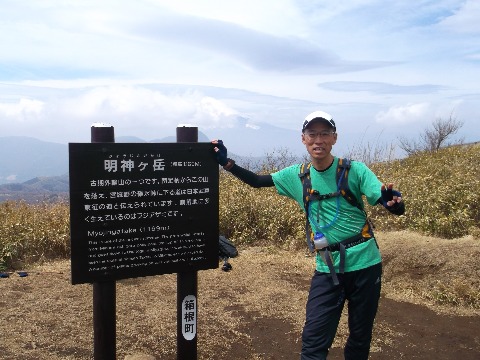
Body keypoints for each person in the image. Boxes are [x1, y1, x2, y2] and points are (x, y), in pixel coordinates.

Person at [212, 110, 405, 360]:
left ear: (334, 138)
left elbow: (382, 195)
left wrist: (394, 204)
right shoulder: (297, 175)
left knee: (360, 337)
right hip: (328, 268)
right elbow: (258, 181)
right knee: (313, 342)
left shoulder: (354, 171)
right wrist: (228, 164)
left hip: (365, 264)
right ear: (303, 139)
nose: (318, 140)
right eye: (312, 134)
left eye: (325, 133)